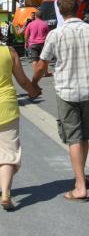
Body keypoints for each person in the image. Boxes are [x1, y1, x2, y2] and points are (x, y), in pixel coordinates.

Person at [32, 0, 89, 201]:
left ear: (59, 11)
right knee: (84, 135)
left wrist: (33, 84)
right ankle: (80, 177)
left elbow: (42, 64)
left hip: (67, 91)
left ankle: (80, 186)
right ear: (78, 9)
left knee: (74, 137)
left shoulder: (56, 34)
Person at [0, 44, 40, 210]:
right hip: (6, 106)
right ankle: (6, 194)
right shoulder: (9, 52)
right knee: (9, 151)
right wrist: (33, 91)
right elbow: (22, 80)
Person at [23, 9, 50, 73]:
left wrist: (26, 43)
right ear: (42, 16)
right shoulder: (45, 24)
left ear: (35, 16)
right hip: (42, 43)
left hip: (32, 44)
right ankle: (46, 73)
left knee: (34, 60)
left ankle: (36, 73)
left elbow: (26, 35)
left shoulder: (30, 24)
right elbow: (48, 35)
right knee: (44, 59)